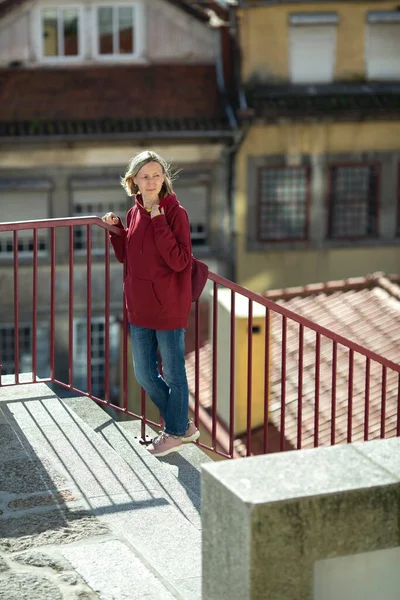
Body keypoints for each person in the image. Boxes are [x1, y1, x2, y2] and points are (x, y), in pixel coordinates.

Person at [102, 150, 200, 457]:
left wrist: (158, 221)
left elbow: (180, 261)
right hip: (139, 306)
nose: (151, 181)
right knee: (144, 374)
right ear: (133, 181)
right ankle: (182, 425)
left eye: (157, 175)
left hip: (168, 305)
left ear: (164, 178)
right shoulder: (133, 212)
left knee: (173, 373)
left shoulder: (175, 213)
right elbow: (127, 256)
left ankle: (174, 432)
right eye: (145, 176)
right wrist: (116, 230)